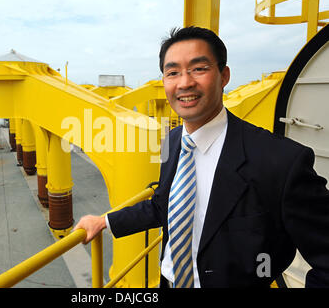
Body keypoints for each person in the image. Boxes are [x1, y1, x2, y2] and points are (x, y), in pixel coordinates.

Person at [74, 26, 329, 288]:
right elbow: (163, 204)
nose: (184, 82)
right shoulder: (173, 142)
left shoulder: (281, 161)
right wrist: (105, 220)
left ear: (224, 76)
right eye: (172, 72)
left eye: (199, 68)